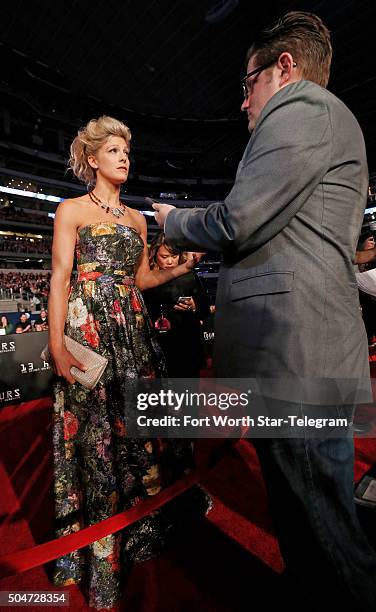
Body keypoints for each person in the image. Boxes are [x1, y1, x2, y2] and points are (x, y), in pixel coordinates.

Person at [153, 11, 376, 612]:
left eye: (248, 83)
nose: (244, 102)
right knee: (312, 522)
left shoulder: (302, 106)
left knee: (325, 531)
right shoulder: (321, 119)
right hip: (305, 352)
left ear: (285, 67)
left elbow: (235, 220)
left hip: (296, 359)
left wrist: (175, 220)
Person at [48, 116, 210, 609]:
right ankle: (96, 551)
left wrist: (181, 268)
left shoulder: (138, 221)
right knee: (95, 435)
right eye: (114, 150)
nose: (124, 157)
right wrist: (56, 345)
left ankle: (141, 526)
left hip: (132, 329)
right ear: (93, 159)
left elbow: (139, 280)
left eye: (127, 151)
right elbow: (59, 277)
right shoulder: (70, 211)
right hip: (88, 329)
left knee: (137, 429)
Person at [143, 233, 210, 378]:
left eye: (174, 256)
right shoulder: (147, 280)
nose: (170, 261)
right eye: (164, 257)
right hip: (158, 342)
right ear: (154, 255)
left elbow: (205, 309)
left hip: (187, 341)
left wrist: (194, 306)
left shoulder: (189, 276)